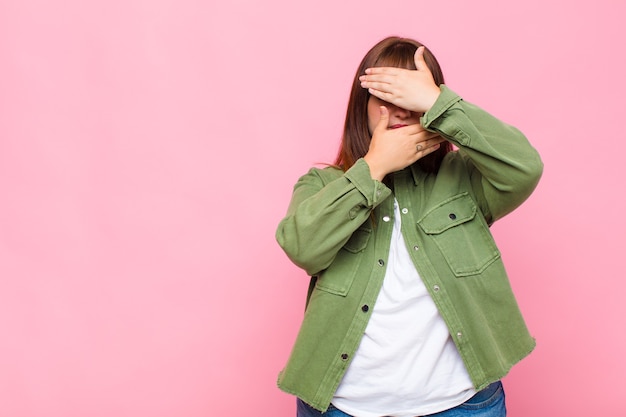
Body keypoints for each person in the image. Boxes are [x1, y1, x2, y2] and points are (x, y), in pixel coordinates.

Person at [275, 36, 543, 417]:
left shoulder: (463, 177)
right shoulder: (322, 184)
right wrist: (374, 167)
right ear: (361, 106)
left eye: (410, 97)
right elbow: (302, 246)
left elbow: (525, 168)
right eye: (385, 94)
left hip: (462, 404)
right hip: (342, 407)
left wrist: (439, 104)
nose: (399, 110)